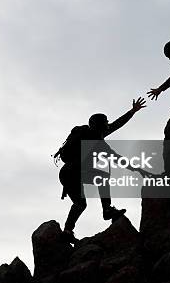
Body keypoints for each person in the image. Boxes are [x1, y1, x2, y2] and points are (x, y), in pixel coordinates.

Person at [54, 98, 146, 243]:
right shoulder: (96, 139)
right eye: (105, 124)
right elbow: (114, 156)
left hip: (66, 173)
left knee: (80, 204)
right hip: (74, 172)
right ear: (100, 126)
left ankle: (67, 231)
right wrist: (136, 169)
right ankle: (107, 209)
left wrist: (132, 112)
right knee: (102, 176)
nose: (108, 125)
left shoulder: (88, 134)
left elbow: (115, 125)